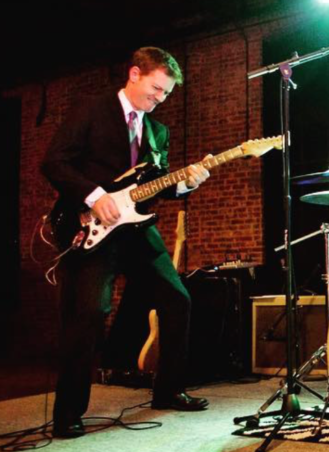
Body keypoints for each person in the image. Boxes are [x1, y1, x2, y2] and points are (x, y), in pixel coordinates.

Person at [42, 47, 211, 438]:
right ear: (134, 74)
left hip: (136, 230)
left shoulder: (158, 131)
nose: (160, 99)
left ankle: (168, 391)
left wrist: (186, 183)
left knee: (177, 299)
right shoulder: (91, 110)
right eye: (156, 89)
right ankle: (68, 413)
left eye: (167, 94)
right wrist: (93, 196)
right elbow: (54, 162)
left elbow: (155, 187)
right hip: (91, 227)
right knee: (88, 314)